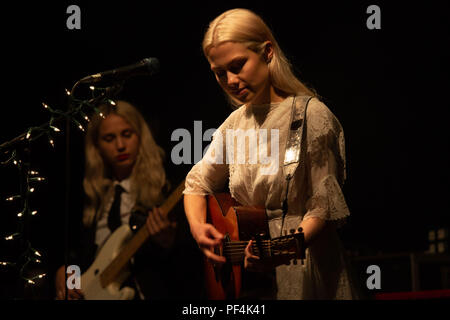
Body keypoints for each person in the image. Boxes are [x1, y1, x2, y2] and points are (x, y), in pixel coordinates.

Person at [183, 8, 361, 299]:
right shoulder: (234, 125)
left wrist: (286, 248)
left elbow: (323, 205)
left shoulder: (311, 116)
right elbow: (196, 184)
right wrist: (198, 229)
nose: (230, 80)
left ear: (267, 52)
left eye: (238, 65)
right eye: (219, 73)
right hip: (254, 286)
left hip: (308, 266)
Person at [54, 100, 203, 299]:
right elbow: (78, 258)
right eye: (109, 138)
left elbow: (192, 267)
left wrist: (169, 243)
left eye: (127, 134)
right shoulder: (91, 197)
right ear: (96, 147)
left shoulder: (166, 189)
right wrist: (66, 273)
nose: (120, 145)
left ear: (141, 136)